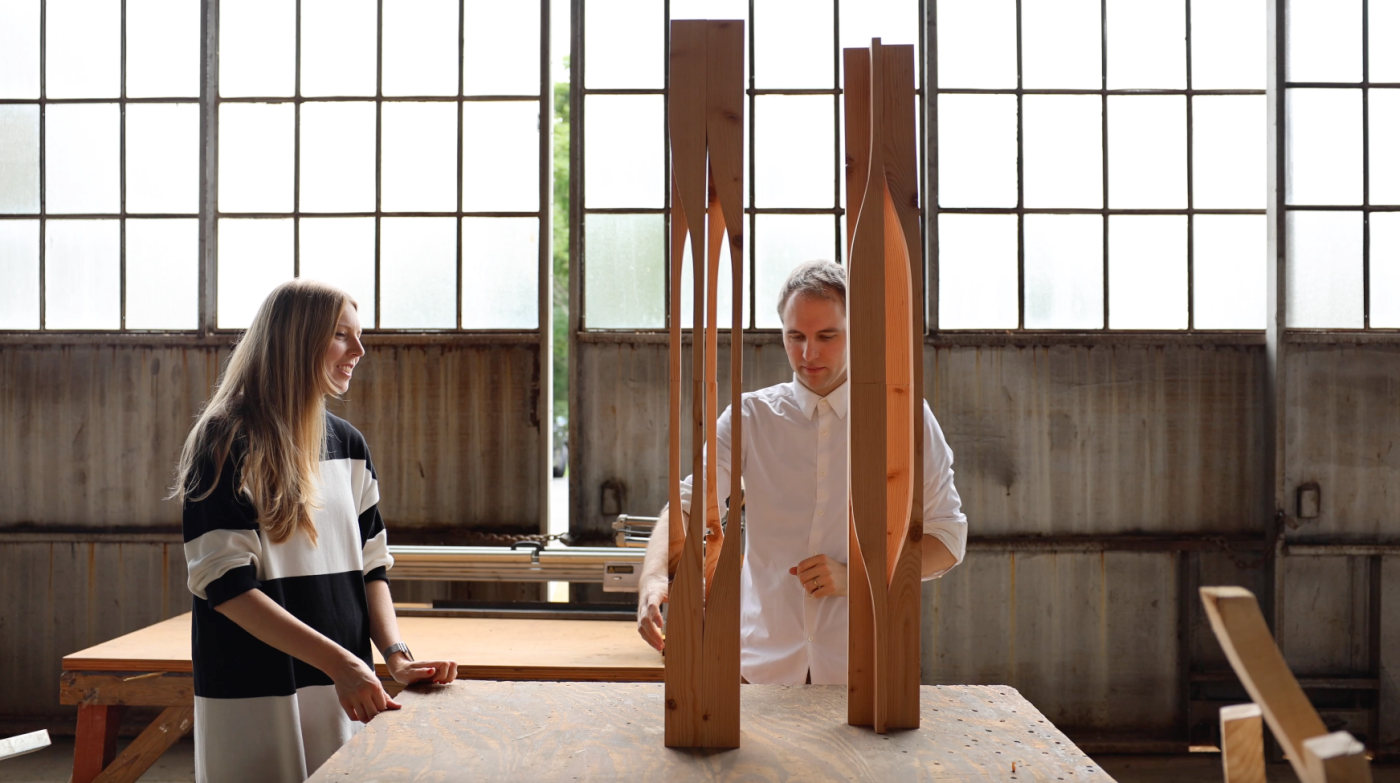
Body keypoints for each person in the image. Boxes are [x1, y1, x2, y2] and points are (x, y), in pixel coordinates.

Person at [171, 279, 458, 783]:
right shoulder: (222, 442)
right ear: (297, 341)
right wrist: (343, 665)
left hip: (342, 687)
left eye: (359, 336)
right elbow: (228, 588)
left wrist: (394, 657)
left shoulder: (349, 445)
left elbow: (372, 567)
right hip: (255, 692)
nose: (360, 351)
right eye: (342, 336)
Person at [636, 260, 967, 685]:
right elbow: (687, 505)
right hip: (758, 668)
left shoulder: (905, 418)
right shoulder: (749, 418)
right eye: (796, 337)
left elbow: (948, 539)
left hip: (865, 672)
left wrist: (859, 577)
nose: (808, 353)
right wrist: (651, 578)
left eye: (827, 336)